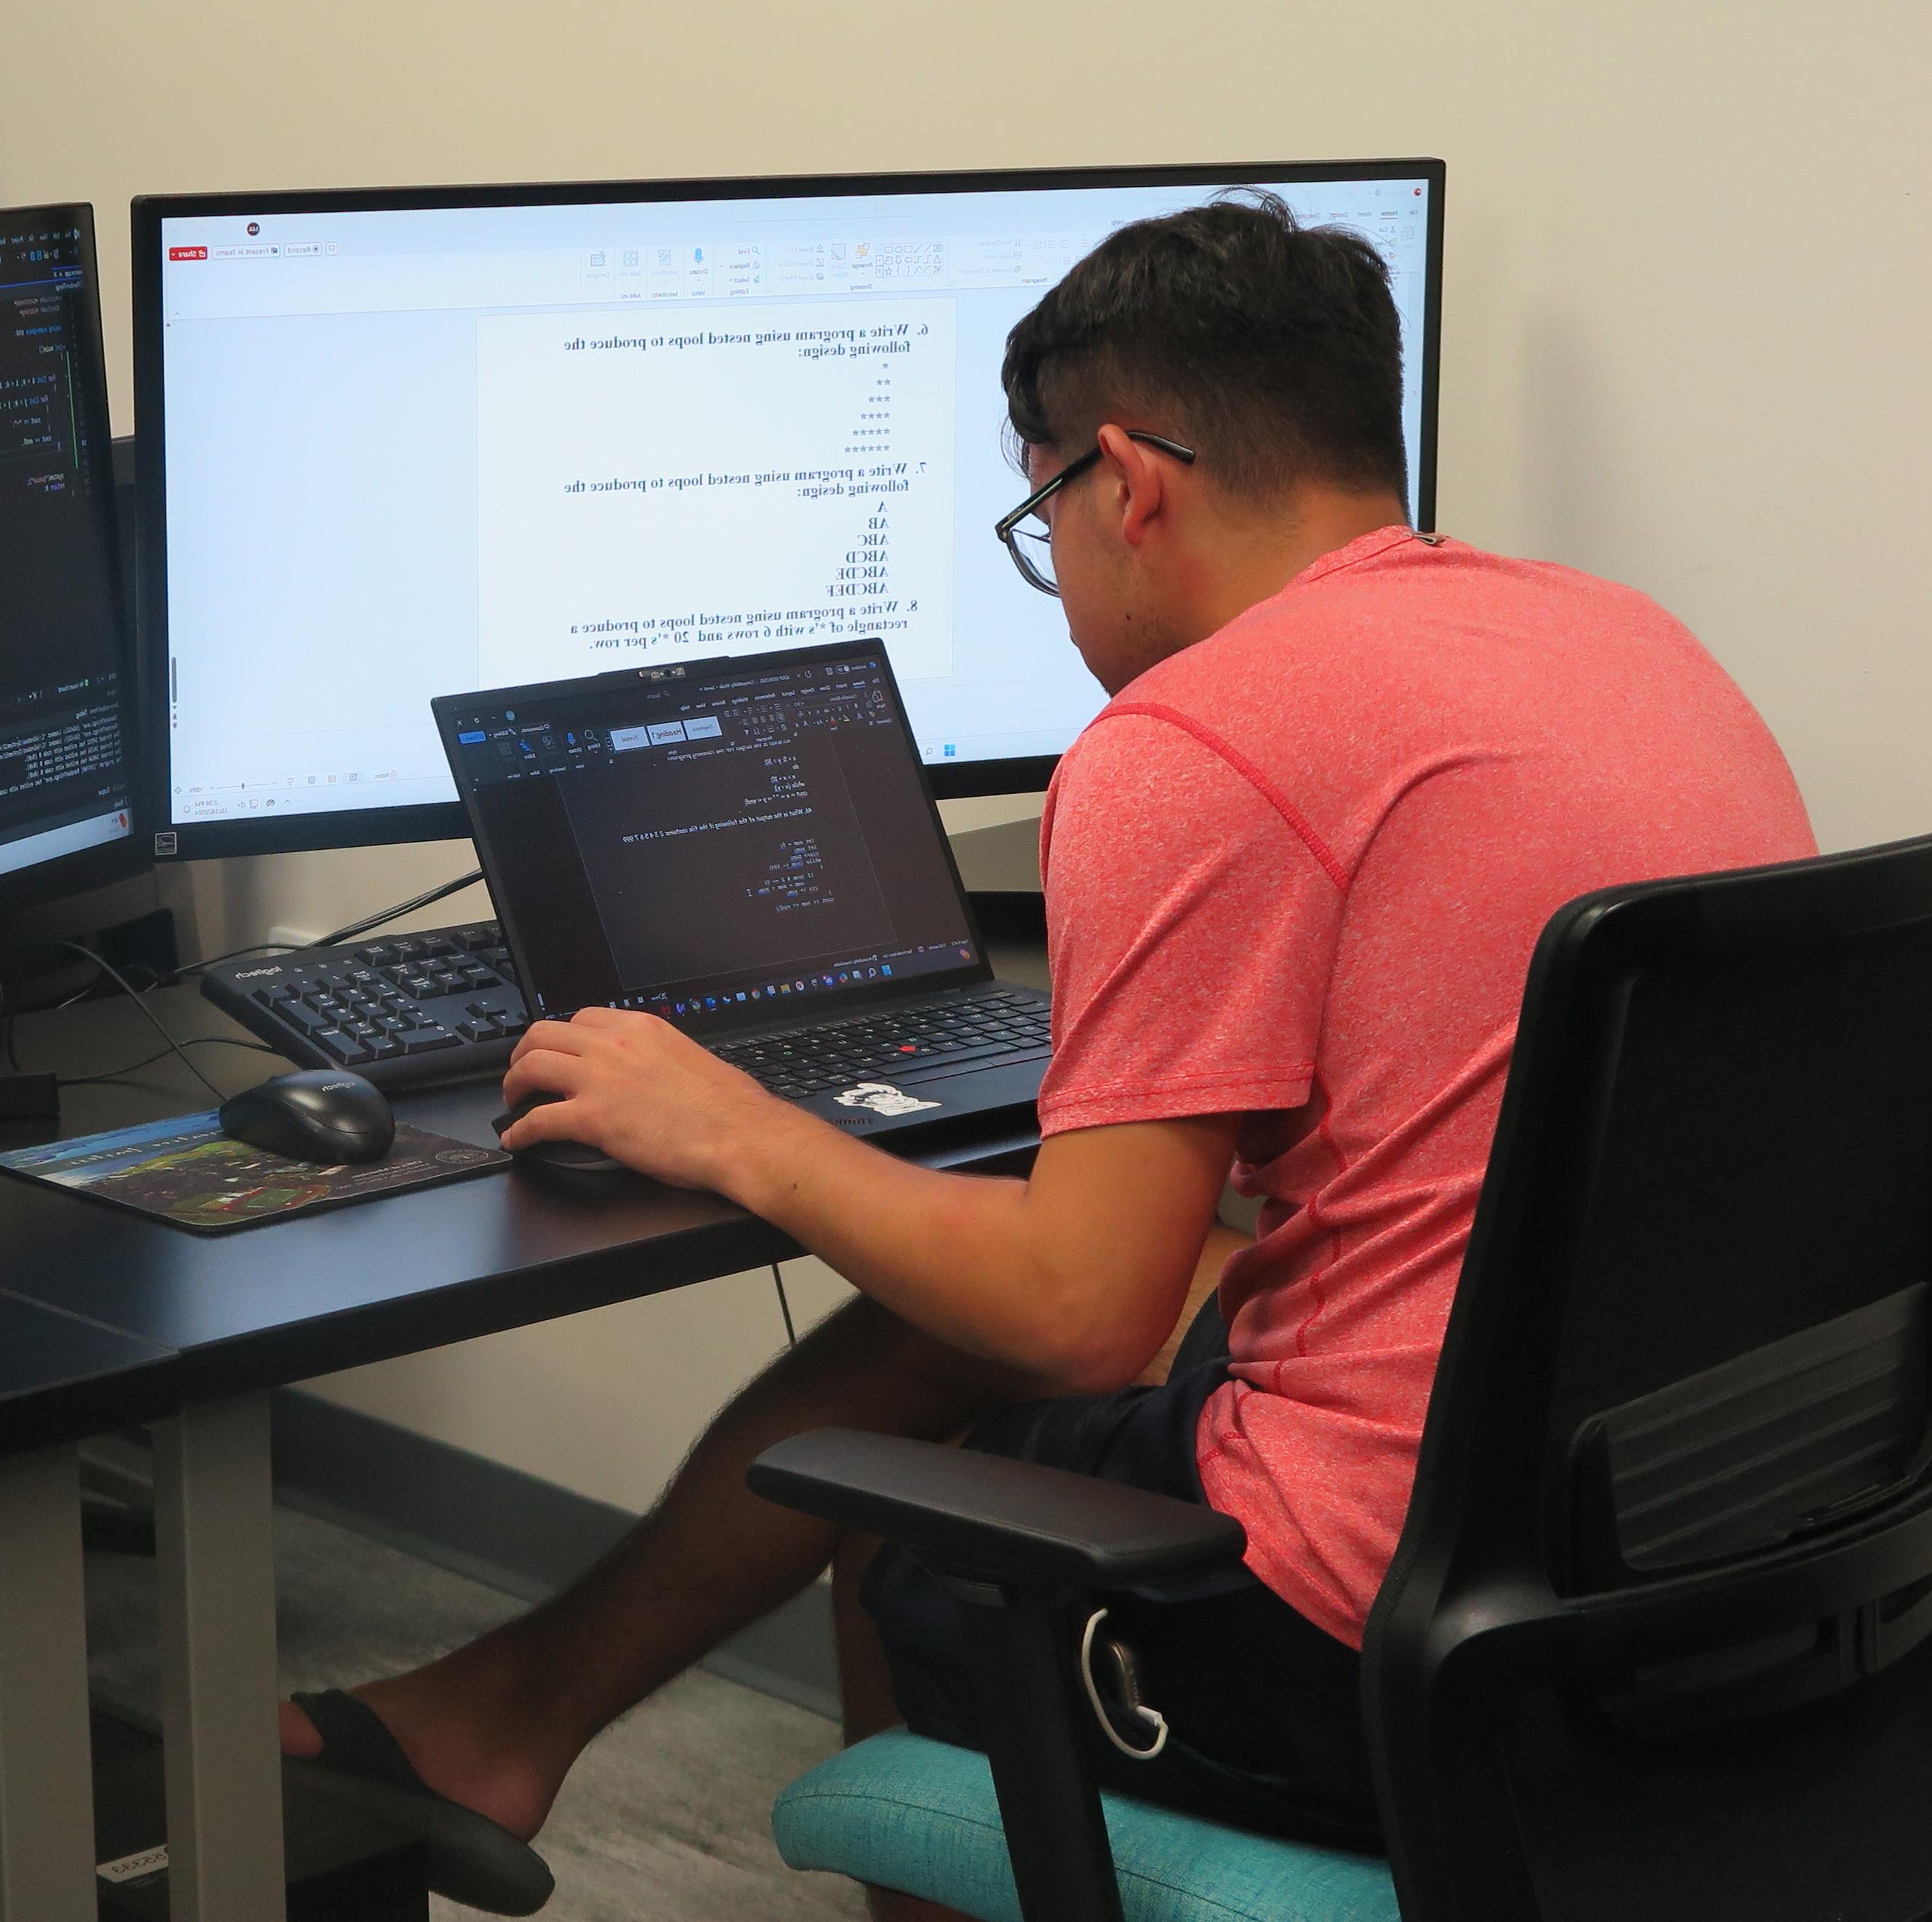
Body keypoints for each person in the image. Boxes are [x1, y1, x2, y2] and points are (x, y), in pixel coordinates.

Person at [280, 194, 1816, 1909]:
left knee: (920, 1499)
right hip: (1707, 1555)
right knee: (966, 1319)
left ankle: (531, 1722)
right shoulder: (1619, 641)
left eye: (1038, 516)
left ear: (1126, 480)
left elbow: (1080, 1311)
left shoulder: (1197, 738)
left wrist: (728, 1125)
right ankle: (497, 1719)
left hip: (1384, 1644)